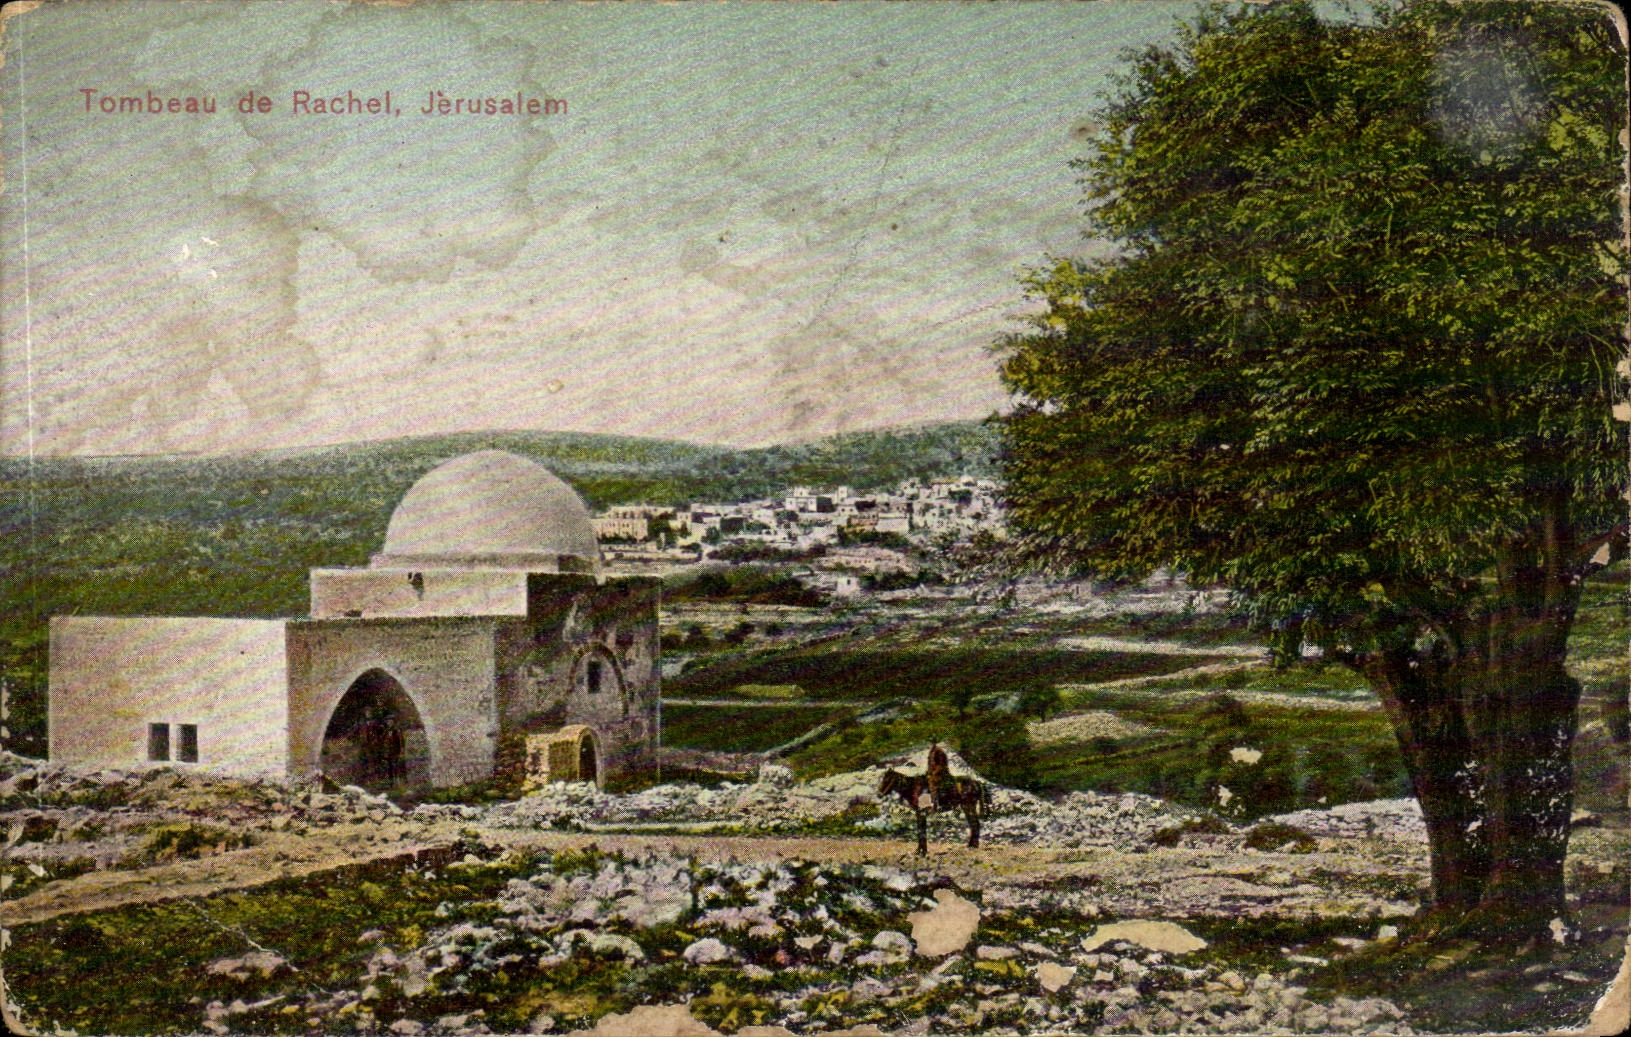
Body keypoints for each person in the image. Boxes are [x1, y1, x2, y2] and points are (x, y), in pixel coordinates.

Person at [926, 742, 950, 811]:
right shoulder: (932, 751)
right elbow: (930, 764)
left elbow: (940, 765)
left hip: (941, 773)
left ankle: (936, 805)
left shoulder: (938, 751)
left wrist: (933, 773)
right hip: (934, 773)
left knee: (933, 784)